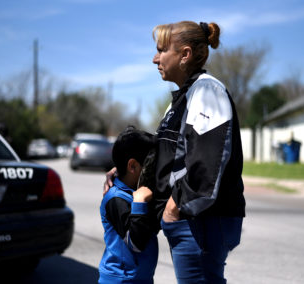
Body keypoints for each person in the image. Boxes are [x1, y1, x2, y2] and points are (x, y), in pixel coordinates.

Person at [105, 21, 245, 283]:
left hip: (202, 221)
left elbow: (208, 163)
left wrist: (175, 208)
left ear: (185, 54)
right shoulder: (186, 95)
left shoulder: (206, 90)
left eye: (161, 50)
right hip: (191, 220)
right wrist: (123, 169)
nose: (154, 58)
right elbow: (163, 152)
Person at [99, 126, 159, 284]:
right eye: (150, 164)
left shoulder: (138, 190)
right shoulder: (116, 198)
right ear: (132, 166)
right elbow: (135, 242)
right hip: (120, 279)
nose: (154, 170)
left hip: (140, 278)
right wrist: (139, 204)